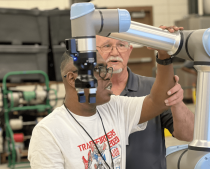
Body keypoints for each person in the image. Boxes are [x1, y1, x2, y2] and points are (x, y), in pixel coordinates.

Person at [28, 26, 186, 169]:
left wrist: (164, 56)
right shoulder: (48, 132)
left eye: (107, 70)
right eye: (99, 70)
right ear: (72, 79)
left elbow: (158, 102)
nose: (107, 77)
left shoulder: (114, 108)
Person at [96, 25, 194, 169]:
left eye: (121, 45)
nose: (115, 52)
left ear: (130, 50)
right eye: (107, 46)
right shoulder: (88, 94)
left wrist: (176, 102)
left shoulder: (153, 89)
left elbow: (189, 134)